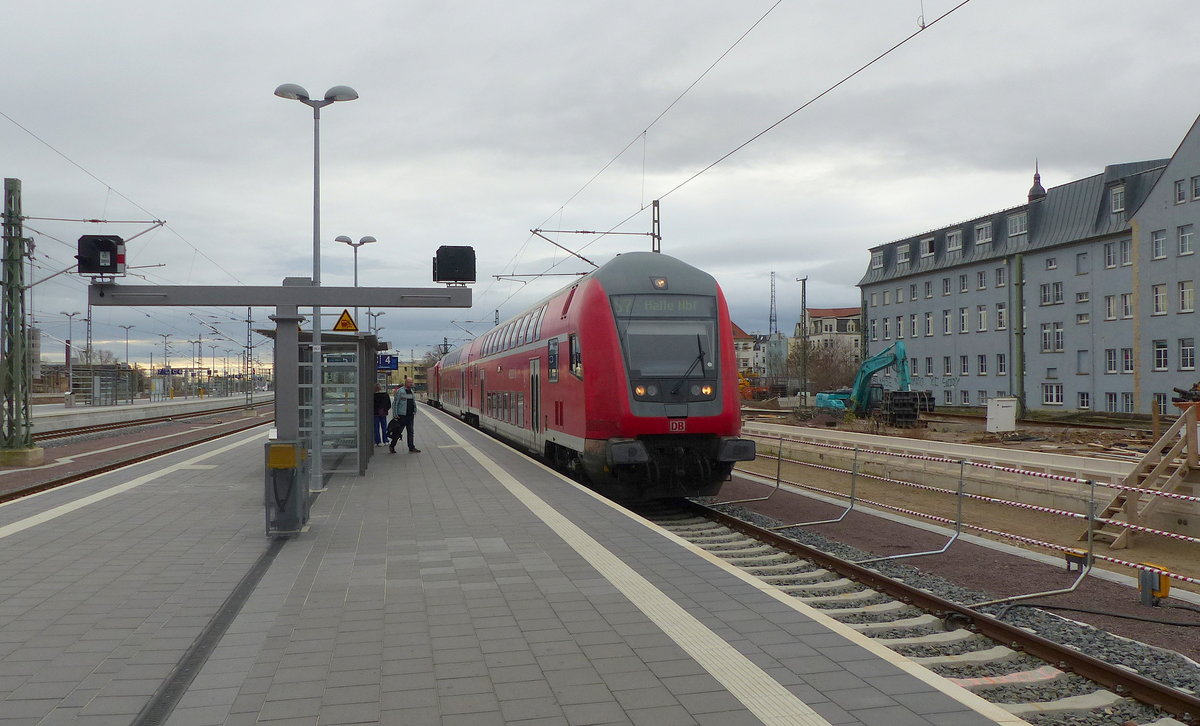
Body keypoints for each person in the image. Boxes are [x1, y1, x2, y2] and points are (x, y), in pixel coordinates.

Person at [389, 377, 420, 453]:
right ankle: (392, 446)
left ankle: (411, 447)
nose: (411, 384)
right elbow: (395, 403)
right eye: (409, 382)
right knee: (398, 432)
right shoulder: (400, 391)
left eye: (411, 382)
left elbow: (413, 402)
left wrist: (415, 410)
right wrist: (395, 414)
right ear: (406, 382)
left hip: (410, 416)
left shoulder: (411, 392)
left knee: (410, 432)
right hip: (402, 416)